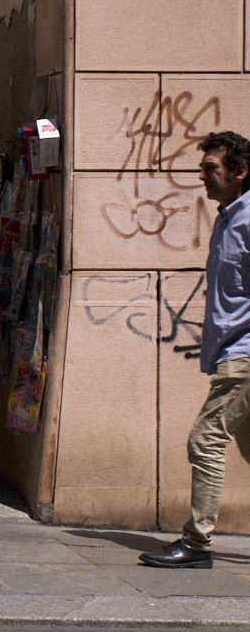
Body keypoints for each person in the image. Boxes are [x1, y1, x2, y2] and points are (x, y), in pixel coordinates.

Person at [140, 129, 250, 569]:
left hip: (243, 355)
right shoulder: (229, 216)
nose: (202, 176)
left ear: (241, 172)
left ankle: (198, 542)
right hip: (232, 350)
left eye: (211, 168)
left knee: (204, 441)